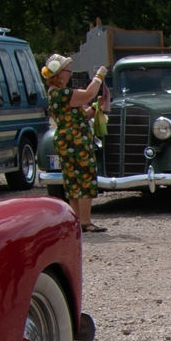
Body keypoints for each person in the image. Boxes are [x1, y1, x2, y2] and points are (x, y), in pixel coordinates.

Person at [42, 53, 108, 233]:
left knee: (73, 180)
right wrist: (99, 76)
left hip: (67, 140)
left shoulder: (57, 94)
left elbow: (83, 114)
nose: (70, 74)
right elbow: (89, 94)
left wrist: (96, 108)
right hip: (75, 141)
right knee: (84, 178)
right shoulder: (61, 94)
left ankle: (78, 221)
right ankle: (85, 221)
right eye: (67, 71)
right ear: (58, 74)